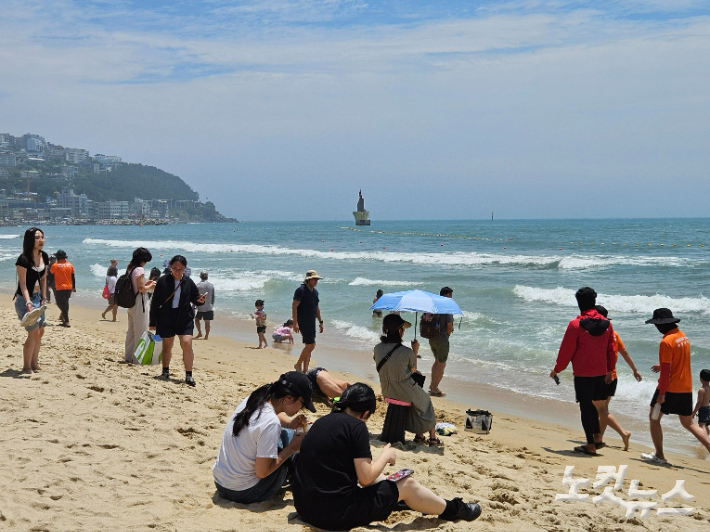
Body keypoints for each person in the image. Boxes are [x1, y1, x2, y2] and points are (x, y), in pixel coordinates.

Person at [292, 383, 482, 530]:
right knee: (408, 484)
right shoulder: (356, 427)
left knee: (383, 480)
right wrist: (386, 456)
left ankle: (402, 501)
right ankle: (455, 509)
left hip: (305, 508)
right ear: (365, 413)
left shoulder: (321, 422)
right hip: (334, 517)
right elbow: (365, 479)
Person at [212, 371, 315, 504]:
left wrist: (289, 424)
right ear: (288, 398)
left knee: (287, 433)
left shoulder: (256, 398)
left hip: (221, 482)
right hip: (244, 492)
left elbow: (269, 419)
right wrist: (292, 448)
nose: (302, 408)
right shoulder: (271, 423)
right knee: (294, 452)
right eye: (303, 403)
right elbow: (262, 473)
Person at [550, 287, 615, 456]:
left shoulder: (575, 325)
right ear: (594, 301)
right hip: (601, 373)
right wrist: (610, 370)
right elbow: (611, 350)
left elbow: (566, 351)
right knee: (592, 405)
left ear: (579, 303)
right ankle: (597, 437)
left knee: (586, 408)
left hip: (583, 374)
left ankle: (591, 445)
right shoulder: (607, 324)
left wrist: (557, 369)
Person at [641, 309, 710, 464]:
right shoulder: (682, 337)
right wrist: (663, 365)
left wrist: (662, 393)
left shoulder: (666, 341)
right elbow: (678, 361)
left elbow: (666, 372)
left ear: (662, 325)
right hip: (685, 387)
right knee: (689, 423)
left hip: (670, 387)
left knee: (654, 419)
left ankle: (660, 455)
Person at [374, 314, 439, 446]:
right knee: (425, 401)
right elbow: (413, 370)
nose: (403, 331)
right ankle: (432, 437)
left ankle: (420, 436)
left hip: (387, 390)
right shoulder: (406, 351)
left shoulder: (377, 348)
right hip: (403, 391)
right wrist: (415, 350)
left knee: (416, 394)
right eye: (402, 329)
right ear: (399, 331)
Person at [150, 255, 205, 387]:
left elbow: (195, 298)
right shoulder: (163, 281)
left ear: (185, 268)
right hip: (166, 317)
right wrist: (152, 321)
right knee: (167, 346)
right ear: (170, 267)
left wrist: (200, 301)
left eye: (180, 269)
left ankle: (188, 375)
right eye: (175, 268)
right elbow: (155, 302)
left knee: (186, 343)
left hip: (184, 318)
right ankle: (165, 371)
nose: (177, 271)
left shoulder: (188, 282)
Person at [593, 305, 642, 451]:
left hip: (601, 377)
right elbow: (624, 353)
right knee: (603, 409)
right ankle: (599, 439)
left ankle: (623, 433)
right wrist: (634, 370)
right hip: (613, 377)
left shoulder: (596, 335)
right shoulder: (614, 334)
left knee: (601, 410)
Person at [14, 227, 49, 375]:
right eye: (37, 237)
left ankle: (34, 363)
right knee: (33, 332)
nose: (41, 240)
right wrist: (28, 302)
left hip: (38, 298)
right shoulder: (23, 259)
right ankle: (26, 367)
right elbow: (22, 284)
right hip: (24, 300)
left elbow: (43, 279)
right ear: (30, 240)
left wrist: (44, 297)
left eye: (42, 237)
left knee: (40, 331)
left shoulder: (44, 256)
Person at [124, 247, 156, 363]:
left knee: (131, 331)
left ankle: (128, 356)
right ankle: (139, 359)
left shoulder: (130, 268)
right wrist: (151, 286)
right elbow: (142, 289)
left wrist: (146, 285)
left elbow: (137, 286)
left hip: (131, 302)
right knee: (141, 330)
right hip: (140, 301)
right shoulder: (140, 270)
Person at [292, 270, 324, 373]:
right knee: (311, 345)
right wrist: (295, 322)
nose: (315, 281)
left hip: (311, 321)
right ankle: (298, 364)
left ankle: (305, 369)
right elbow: (294, 306)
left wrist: (320, 321)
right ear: (308, 279)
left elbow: (317, 308)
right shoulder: (301, 290)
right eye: (314, 279)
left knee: (309, 346)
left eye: (316, 279)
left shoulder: (315, 292)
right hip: (303, 321)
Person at [429, 286, 454, 397]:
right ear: (447, 295)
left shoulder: (434, 306)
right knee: (441, 363)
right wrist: (448, 334)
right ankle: (434, 387)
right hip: (442, 339)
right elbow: (449, 326)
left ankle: (432, 385)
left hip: (432, 338)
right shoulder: (446, 307)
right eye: (450, 295)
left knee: (436, 361)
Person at [50, 249, 75, 327]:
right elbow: (73, 277)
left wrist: (49, 284)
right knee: (66, 303)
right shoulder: (70, 265)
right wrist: (74, 287)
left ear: (58, 257)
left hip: (59, 287)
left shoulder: (55, 265)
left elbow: (50, 276)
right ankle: (64, 317)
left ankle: (66, 321)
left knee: (60, 303)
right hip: (69, 287)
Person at [194, 270, 215, 340]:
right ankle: (206, 336)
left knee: (196, 320)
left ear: (200, 276)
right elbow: (213, 297)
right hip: (209, 307)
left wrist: (194, 306)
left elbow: (195, 296)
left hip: (200, 307)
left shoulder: (198, 285)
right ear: (207, 277)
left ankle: (200, 332)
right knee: (207, 322)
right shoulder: (211, 285)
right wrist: (211, 304)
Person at [692, 369, 710, 436]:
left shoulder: (701, 390)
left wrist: (693, 412)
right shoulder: (709, 388)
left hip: (703, 409)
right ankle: (707, 437)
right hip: (708, 408)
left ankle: (704, 439)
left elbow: (699, 402)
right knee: (705, 425)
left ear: (700, 378)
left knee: (701, 425)